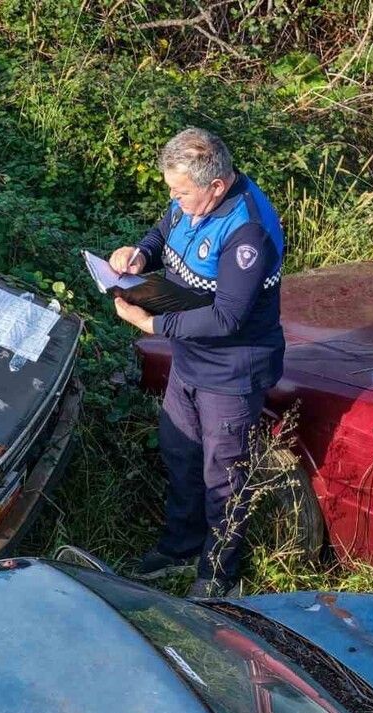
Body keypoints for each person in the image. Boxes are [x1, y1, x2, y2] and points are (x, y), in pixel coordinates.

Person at [108, 127, 285, 597]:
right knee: (180, 452)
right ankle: (180, 547)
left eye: (181, 192)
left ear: (216, 186)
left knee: (222, 476)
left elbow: (226, 318)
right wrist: (140, 255)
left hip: (231, 370)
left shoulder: (248, 230)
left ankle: (218, 575)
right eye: (172, 190)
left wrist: (153, 328)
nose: (175, 200)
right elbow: (163, 231)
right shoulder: (189, 200)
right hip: (189, 361)